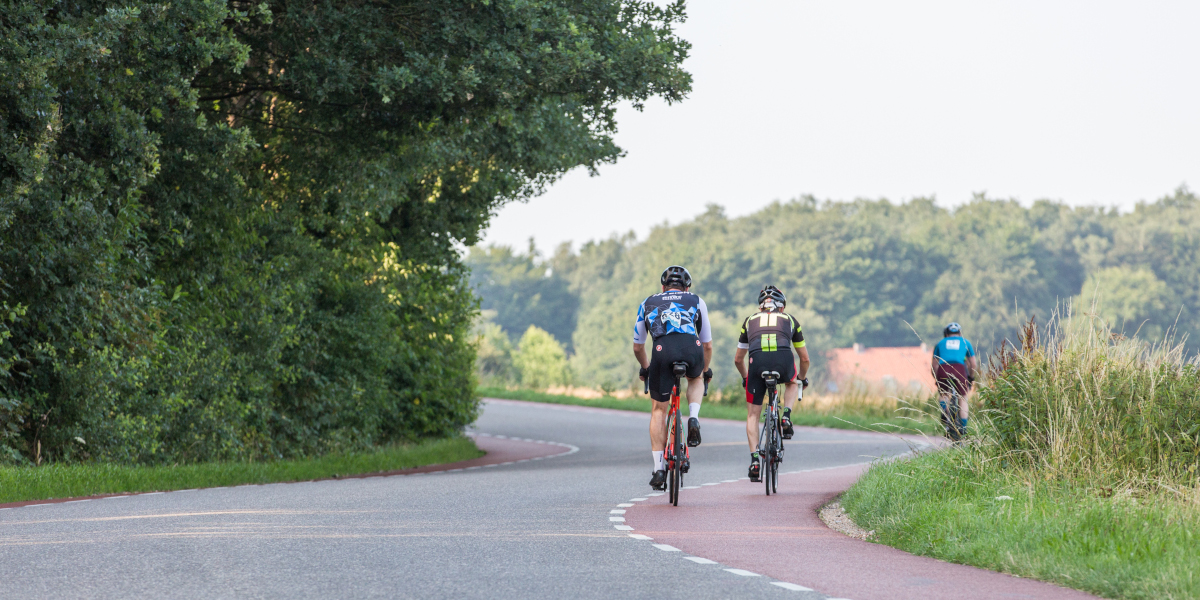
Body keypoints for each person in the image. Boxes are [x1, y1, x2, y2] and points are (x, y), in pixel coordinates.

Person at [634, 265, 713, 491]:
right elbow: (707, 344)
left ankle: (659, 469)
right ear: (687, 287)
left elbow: (638, 346)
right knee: (696, 377)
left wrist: (646, 368)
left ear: (663, 286)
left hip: (662, 349)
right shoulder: (696, 300)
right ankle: (694, 417)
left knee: (659, 410)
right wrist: (704, 370)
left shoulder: (648, 302)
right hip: (691, 346)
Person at [733, 285, 809, 482]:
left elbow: (738, 359)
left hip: (756, 363)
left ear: (761, 307)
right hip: (782, 361)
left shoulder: (749, 321)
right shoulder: (791, 320)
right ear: (781, 308)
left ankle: (755, 460)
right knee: (792, 383)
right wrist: (801, 378)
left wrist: (745, 378)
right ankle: (786, 416)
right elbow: (805, 359)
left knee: (752, 415)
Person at [932, 322, 977, 438]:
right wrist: (971, 378)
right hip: (959, 369)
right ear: (959, 333)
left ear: (946, 334)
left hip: (943, 369)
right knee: (963, 397)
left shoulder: (940, 343)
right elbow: (973, 364)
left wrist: (937, 379)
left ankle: (945, 412)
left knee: (943, 393)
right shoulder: (966, 342)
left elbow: (934, 366)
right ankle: (963, 427)